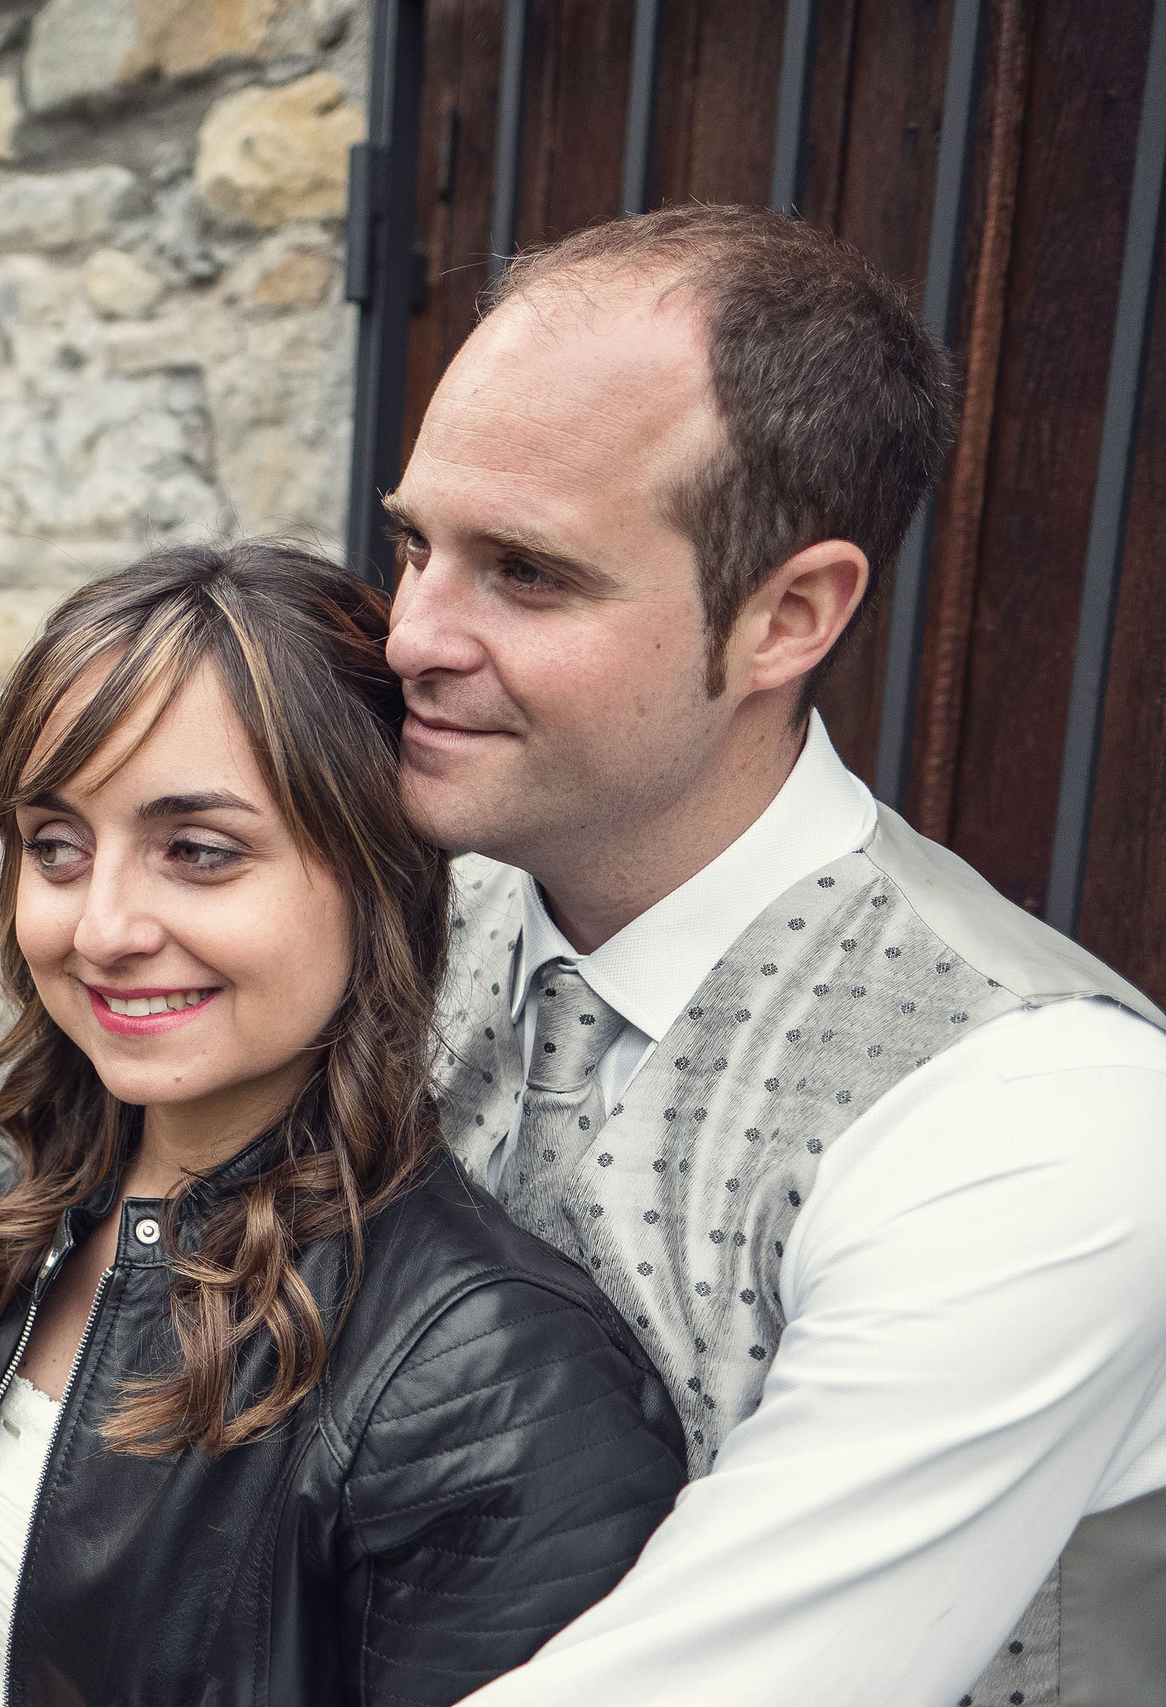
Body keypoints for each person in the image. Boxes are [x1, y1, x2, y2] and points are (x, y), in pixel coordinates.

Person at [387, 204, 1166, 1706]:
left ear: (787, 615)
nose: (415, 629)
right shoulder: (388, 927)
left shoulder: (1044, 1118)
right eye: (413, 543)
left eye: (526, 572)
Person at [0, 542, 686, 1707]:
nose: (100, 925)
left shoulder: (489, 1384)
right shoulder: (10, 1179)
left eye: (198, 852)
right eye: (56, 845)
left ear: (378, 877)